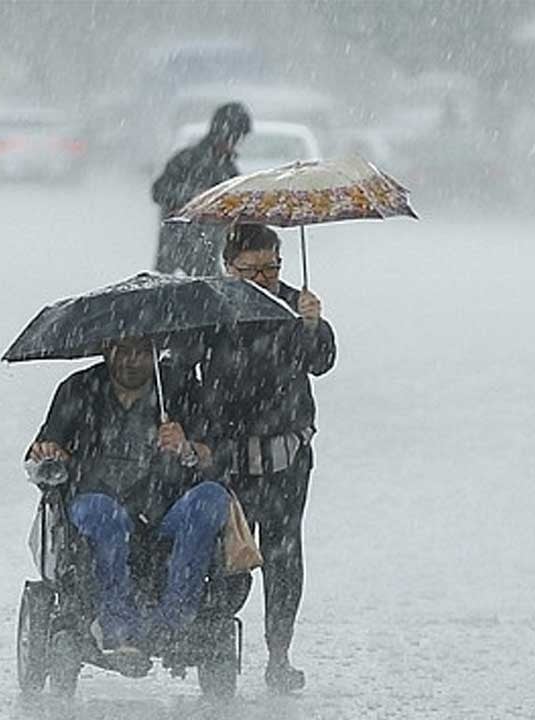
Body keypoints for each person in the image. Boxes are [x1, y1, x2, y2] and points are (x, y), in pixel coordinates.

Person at [26, 336, 231, 664]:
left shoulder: (181, 388)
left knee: (212, 498)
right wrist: (50, 453)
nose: (131, 360)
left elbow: (219, 454)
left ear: (154, 353)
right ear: (107, 349)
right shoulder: (78, 389)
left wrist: (187, 448)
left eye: (140, 352)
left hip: (165, 511)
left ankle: (174, 622)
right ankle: (118, 627)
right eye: (123, 351)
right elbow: (41, 451)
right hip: (96, 503)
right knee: (104, 515)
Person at [200, 223, 336, 692]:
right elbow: (182, 370)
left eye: (272, 267)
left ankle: (279, 655)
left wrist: (313, 326)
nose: (264, 278)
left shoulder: (296, 308)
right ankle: (216, 651)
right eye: (252, 270)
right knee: (228, 558)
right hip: (228, 463)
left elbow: (321, 360)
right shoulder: (210, 309)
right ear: (228, 267)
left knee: (283, 556)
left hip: (286, 460)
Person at [151, 102, 251, 276]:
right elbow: (159, 191)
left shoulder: (229, 171)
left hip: (208, 253)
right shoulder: (186, 160)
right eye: (234, 137)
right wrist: (192, 197)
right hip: (176, 249)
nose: (235, 143)